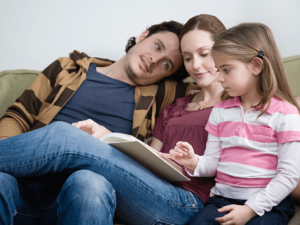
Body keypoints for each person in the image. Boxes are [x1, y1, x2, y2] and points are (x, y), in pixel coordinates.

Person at [0, 15, 226, 224]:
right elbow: (19, 114)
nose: (155, 60)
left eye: (167, 65)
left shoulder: (163, 93)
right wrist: (12, 151)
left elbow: (215, 77)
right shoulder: (67, 68)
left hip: (84, 189)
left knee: (87, 178)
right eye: (157, 47)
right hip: (27, 183)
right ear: (142, 36)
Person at [161, 23, 300, 225]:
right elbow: (214, 162)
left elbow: (289, 176)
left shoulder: (286, 113)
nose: (220, 78)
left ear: (255, 66)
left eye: (226, 70)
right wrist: (193, 162)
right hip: (220, 200)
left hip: (268, 204)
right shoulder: (221, 111)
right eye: (218, 70)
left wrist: (250, 209)